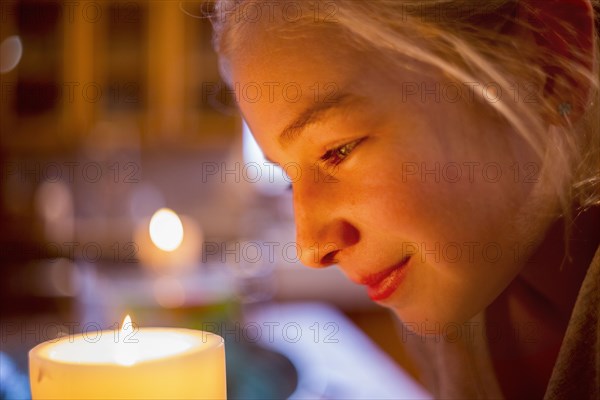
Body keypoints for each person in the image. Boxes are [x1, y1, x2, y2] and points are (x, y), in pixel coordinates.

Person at [209, 1, 600, 398]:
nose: (310, 249)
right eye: (290, 179)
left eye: (338, 150)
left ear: (549, 58)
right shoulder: (451, 300)